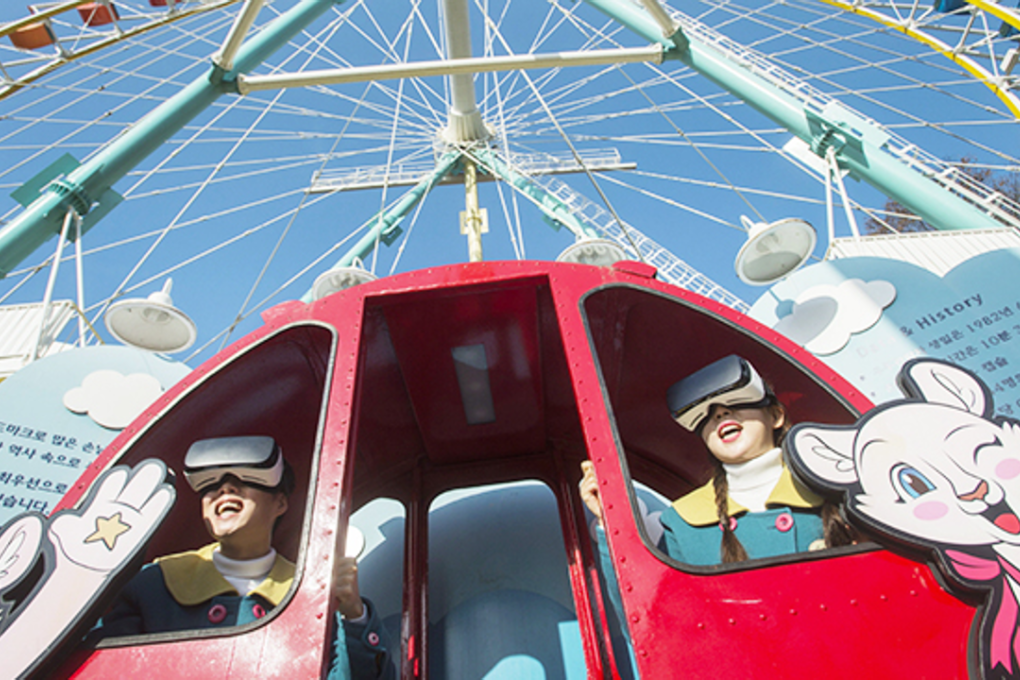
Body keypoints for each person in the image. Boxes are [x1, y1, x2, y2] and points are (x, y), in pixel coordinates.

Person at [91, 436, 394, 680]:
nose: (225, 488)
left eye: (247, 478)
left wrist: (354, 614)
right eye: (210, 484)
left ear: (281, 502)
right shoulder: (152, 585)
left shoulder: (312, 594)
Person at [580, 355, 854, 566]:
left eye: (736, 403)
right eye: (706, 415)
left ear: (775, 416)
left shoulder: (836, 485)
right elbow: (651, 619)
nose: (720, 414)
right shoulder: (682, 521)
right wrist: (609, 521)